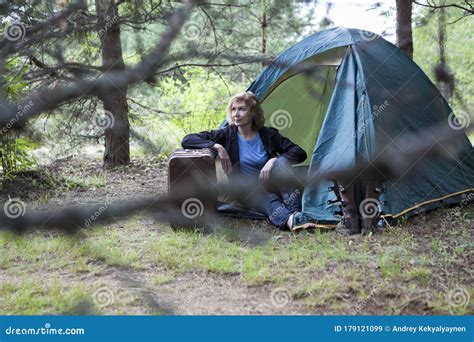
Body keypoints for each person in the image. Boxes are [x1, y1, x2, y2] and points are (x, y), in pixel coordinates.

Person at [181, 91, 317, 230]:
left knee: (281, 162)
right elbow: (188, 139)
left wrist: (273, 160)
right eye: (233, 109)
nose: (236, 114)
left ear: (252, 112)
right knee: (269, 199)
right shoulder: (226, 134)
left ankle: (296, 212)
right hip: (247, 189)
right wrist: (218, 147)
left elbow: (299, 152)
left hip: (272, 183)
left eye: (241, 109)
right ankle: (292, 220)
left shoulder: (267, 134)